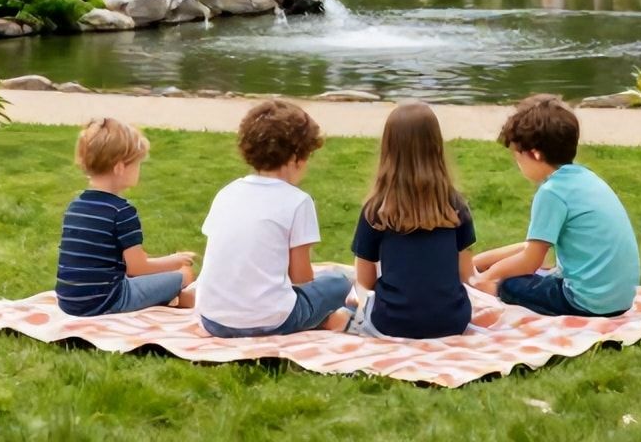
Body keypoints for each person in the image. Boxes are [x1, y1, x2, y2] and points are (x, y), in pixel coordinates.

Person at [470, 96, 641, 318]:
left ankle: (490, 291)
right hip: (620, 299)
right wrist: (477, 263)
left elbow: (531, 261)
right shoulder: (585, 179)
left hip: (585, 303)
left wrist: (488, 278)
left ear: (535, 154)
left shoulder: (552, 193)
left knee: (511, 284)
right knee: (526, 273)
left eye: (518, 157)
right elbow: (535, 248)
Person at [196, 100, 351, 336]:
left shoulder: (227, 193)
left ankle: (321, 318)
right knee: (338, 283)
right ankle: (326, 319)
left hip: (212, 318)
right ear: (296, 158)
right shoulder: (298, 201)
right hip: (270, 320)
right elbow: (301, 278)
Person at [348, 104, 478, 339]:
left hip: (391, 323)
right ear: (436, 147)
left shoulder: (376, 209)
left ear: (388, 149)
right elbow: (465, 273)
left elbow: (364, 284)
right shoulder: (455, 205)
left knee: (344, 294)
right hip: (452, 321)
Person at [55, 119, 196, 317]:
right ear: (120, 167)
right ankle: (181, 299)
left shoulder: (75, 206)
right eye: (137, 164)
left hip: (69, 301)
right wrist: (174, 261)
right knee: (184, 273)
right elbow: (137, 267)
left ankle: (169, 297)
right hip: (108, 300)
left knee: (155, 275)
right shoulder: (122, 211)